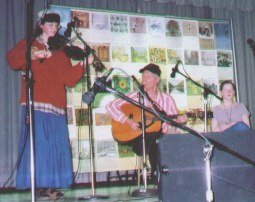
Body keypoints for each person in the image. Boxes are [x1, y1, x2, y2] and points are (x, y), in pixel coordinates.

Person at [7, 13, 92, 200]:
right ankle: (39, 187)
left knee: (56, 146)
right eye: (51, 24)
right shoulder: (29, 44)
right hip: (35, 103)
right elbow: (13, 60)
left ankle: (49, 186)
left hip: (56, 106)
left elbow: (68, 80)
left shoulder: (60, 52)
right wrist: (34, 55)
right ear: (41, 25)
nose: (55, 27)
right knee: (40, 146)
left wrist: (84, 64)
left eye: (56, 24)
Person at [106, 63, 186, 183]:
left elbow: (172, 124)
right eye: (143, 76)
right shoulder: (136, 96)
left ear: (157, 79)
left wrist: (179, 122)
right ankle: (157, 174)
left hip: (162, 138)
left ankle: (176, 177)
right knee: (155, 138)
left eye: (148, 76)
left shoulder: (167, 99)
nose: (143, 79)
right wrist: (128, 122)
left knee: (172, 139)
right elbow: (110, 106)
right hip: (138, 139)